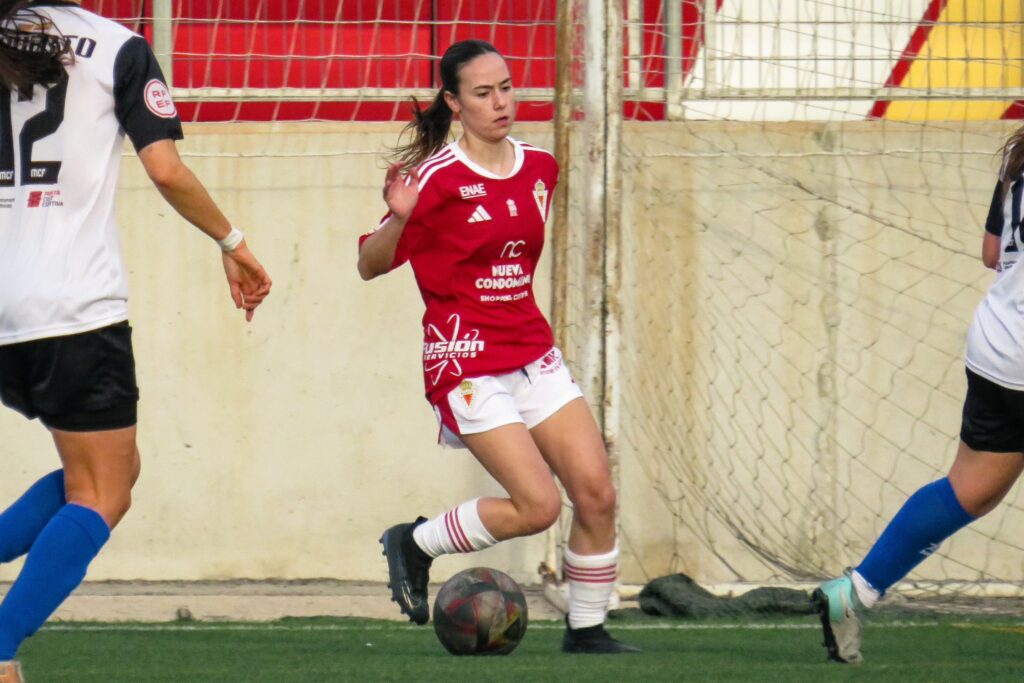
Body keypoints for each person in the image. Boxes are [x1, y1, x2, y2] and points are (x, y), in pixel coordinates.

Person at [0, 2, 271, 680]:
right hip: (72, 306)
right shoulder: (116, 47)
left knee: (100, 474)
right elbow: (168, 170)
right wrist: (232, 242)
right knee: (104, 490)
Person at [357, 39, 639, 655]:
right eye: (483, 93)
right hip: (467, 362)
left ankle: (588, 630)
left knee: (597, 494)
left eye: (507, 87)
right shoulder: (433, 178)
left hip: (531, 351)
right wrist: (401, 218)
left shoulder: (540, 167)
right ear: (454, 104)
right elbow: (368, 265)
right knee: (537, 506)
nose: (501, 102)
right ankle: (416, 541)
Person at [814, 126, 1024, 664]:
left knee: (971, 489)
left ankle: (855, 591)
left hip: (999, 346)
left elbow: (991, 251)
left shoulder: (1019, 158)